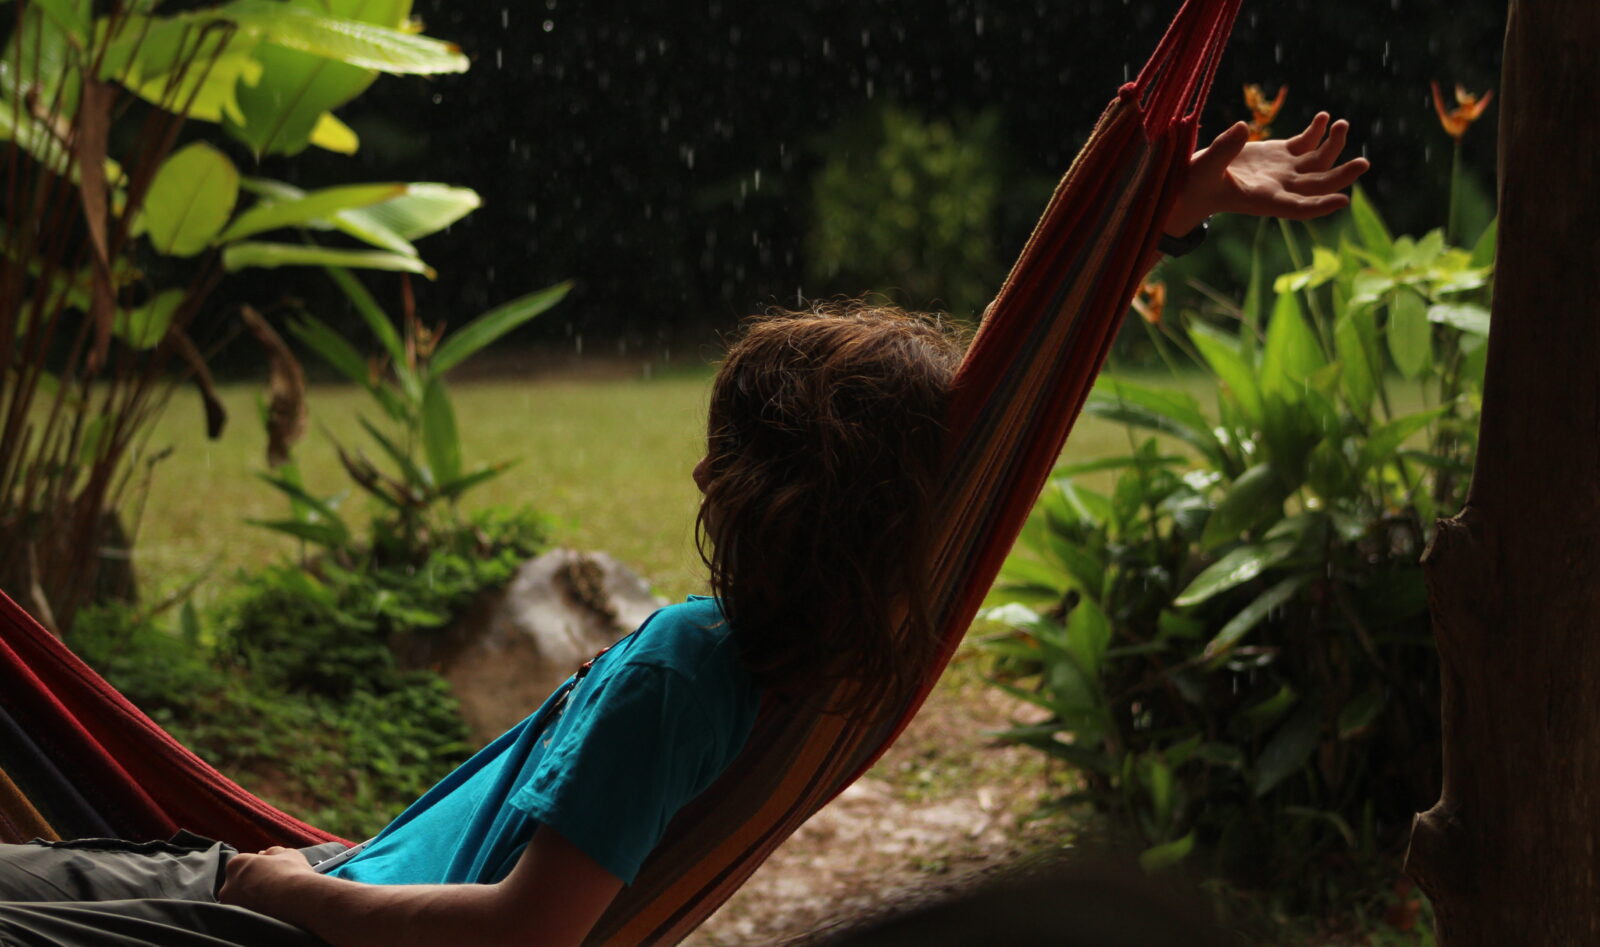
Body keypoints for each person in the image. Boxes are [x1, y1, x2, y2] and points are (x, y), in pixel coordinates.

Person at [0, 115, 1366, 946]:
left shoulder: (683, 672)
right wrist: (1146, 220)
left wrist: (293, 896)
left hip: (289, 928)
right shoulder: (841, 643)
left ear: (726, 487)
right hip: (285, 888)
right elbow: (992, 432)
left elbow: (527, 936)